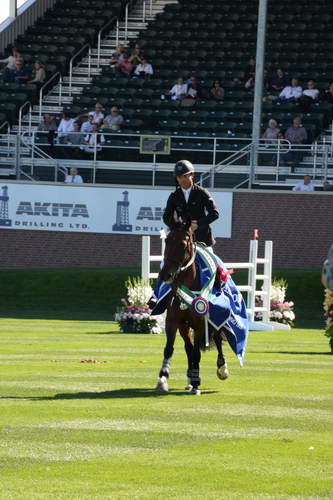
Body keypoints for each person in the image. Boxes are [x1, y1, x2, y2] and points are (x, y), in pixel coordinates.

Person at [163, 160, 219, 249]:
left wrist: (198, 224)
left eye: (185, 176)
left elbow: (215, 213)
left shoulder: (202, 192)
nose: (182, 179)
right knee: (164, 263)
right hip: (183, 241)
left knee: (211, 263)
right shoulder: (174, 196)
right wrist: (180, 227)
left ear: (192, 175)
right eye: (179, 177)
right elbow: (166, 217)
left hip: (203, 240)